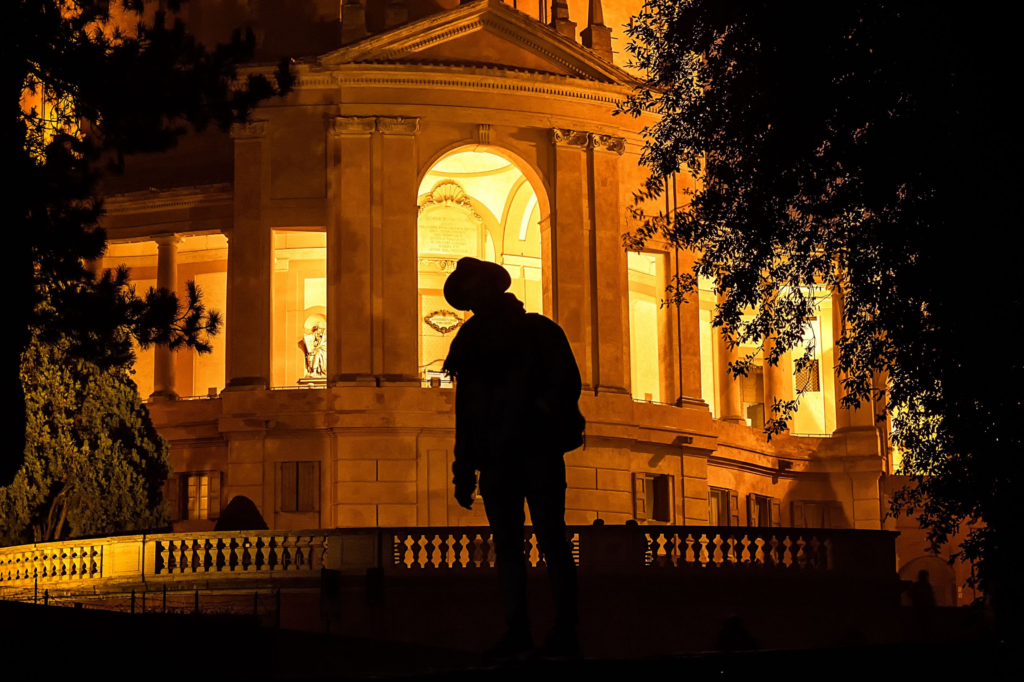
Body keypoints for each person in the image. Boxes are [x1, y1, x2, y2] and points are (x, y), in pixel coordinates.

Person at [442, 257, 585, 663]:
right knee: (509, 547)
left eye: (476, 289)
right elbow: (465, 412)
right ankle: (519, 629)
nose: (473, 299)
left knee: (551, 540)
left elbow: (565, 383)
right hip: (496, 459)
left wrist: (537, 410)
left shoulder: (537, 330)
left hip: (535, 450)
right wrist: (463, 468)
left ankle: (565, 627)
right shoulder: (468, 343)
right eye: (467, 294)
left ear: (493, 287)